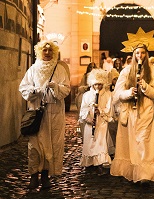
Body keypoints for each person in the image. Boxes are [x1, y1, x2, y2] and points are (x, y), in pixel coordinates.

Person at [110, 27, 154, 185]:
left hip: (146, 111)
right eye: (137, 53)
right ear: (133, 55)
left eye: (142, 53)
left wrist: (145, 87)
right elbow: (117, 94)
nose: (140, 55)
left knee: (144, 142)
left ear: (146, 54)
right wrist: (129, 92)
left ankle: (145, 175)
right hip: (130, 111)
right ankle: (132, 171)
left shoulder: (152, 71)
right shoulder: (126, 71)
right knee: (131, 144)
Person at [19, 40, 70, 189]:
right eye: (44, 50)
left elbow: (66, 89)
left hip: (54, 113)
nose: (47, 53)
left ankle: (45, 175)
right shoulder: (33, 69)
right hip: (37, 112)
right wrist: (34, 91)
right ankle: (33, 175)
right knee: (35, 145)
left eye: (50, 51)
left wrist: (55, 87)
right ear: (40, 52)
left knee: (52, 145)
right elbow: (23, 87)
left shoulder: (59, 70)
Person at [79, 68, 113, 175]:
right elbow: (83, 109)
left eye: (100, 84)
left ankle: (100, 164)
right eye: (95, 85)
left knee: (100, 142)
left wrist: (101, 111)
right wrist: (88, 118)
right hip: (91, 123)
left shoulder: (108, 95)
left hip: (102, 122)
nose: (98, 87)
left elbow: (109, 110)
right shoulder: (87, 95)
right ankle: (90, 163)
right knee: (90, 142)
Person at [75, 62, 97, 137]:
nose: (92, 69)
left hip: (93, 97)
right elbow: (80, 88)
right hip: (85, 97)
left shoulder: (97, 76)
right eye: (91, 67)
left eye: (93, 67)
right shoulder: (85, 76)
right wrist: (86, 87)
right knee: (84, 118)